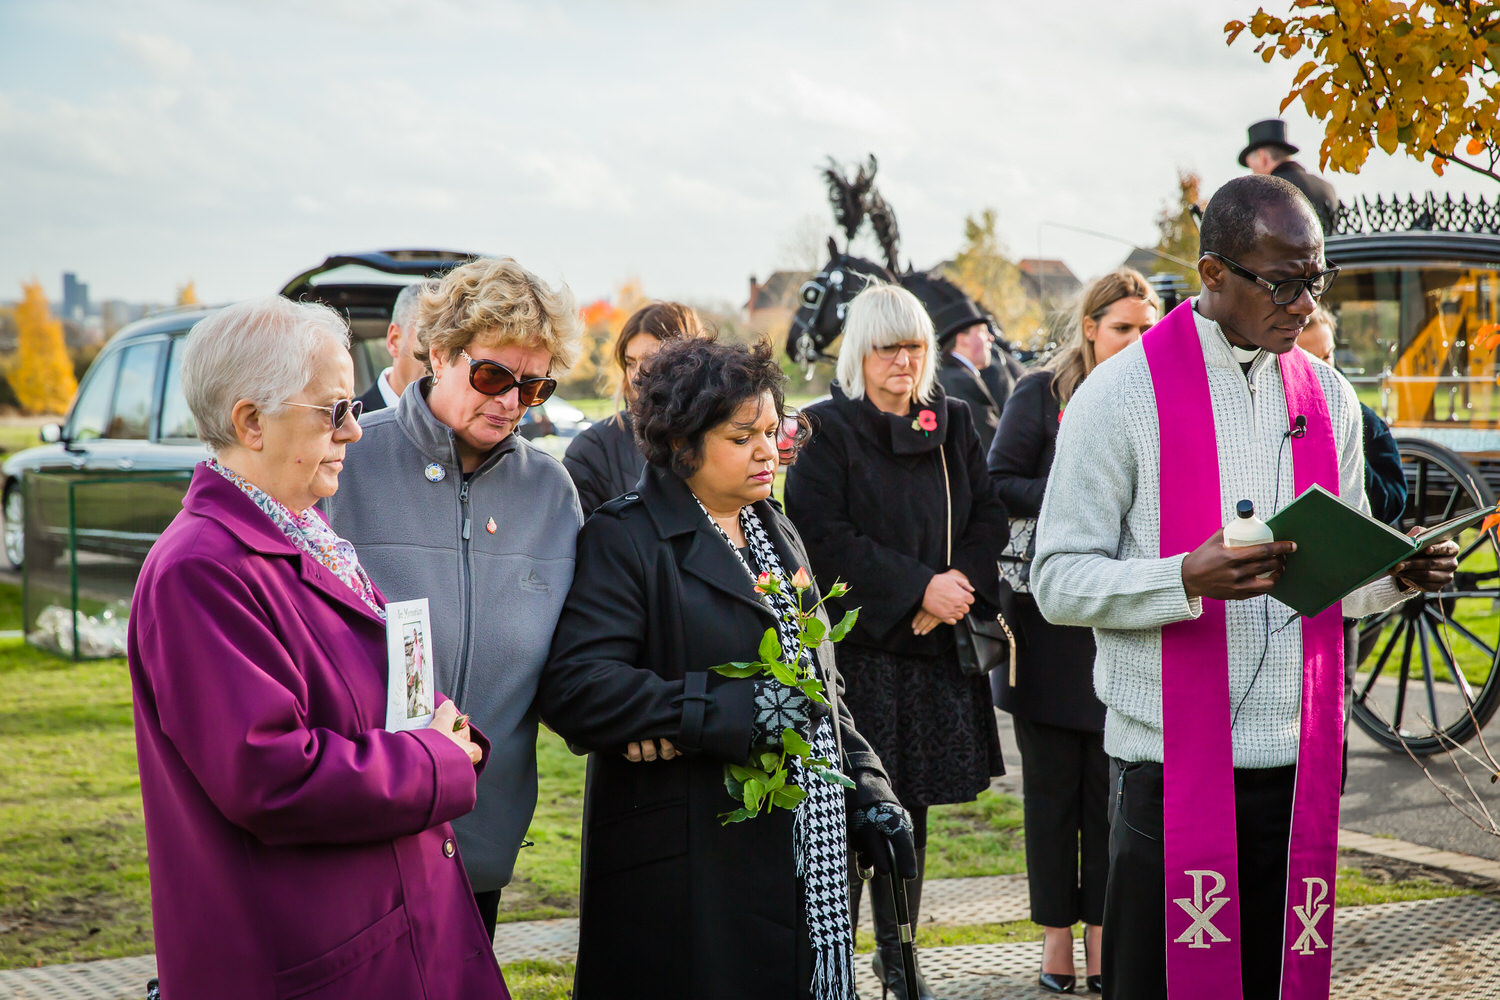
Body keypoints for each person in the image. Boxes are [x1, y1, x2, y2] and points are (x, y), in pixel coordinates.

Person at [1032, 175, 1458, 1000]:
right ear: (1213, 273)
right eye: (1284, 281)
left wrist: (1393, 572)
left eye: (1317, 279)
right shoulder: (1119, 397)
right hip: (1169, 777)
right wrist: (1181, 577)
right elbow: (1055, 581)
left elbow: (1332, 587)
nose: (1305, 304)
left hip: (1298, 773)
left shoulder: (1327, 395)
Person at [128, 296, 507, 1000]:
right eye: (335, 411)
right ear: (251, 422)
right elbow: (272, 776)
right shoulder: (201, 569)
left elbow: (369, 684)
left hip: (386, 929)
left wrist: (440, 717)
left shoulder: (306, 530)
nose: (357, 430)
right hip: (318, 954)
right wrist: (437, 759)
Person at [537, 337, 915, 1000]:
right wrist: (724, 712)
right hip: (685, 882)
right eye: (744, 436)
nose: (769, 450)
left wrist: (869, 788)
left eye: (775, 430)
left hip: (797, 864)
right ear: (683, 442)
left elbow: (817, 689)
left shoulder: (775, 528)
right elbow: (577, 687)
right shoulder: (624, 537)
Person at [323, 256, 585, 941]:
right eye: (494, 376)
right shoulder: (344, 464)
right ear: (437, 352)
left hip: (481, 850)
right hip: (355, 837)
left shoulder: (553, 494)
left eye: (534, 387)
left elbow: (571, 662)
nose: (509, 401)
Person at [785, 282, 1008, 1000]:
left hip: (936, 652)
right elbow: (821, 537)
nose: (903, 361)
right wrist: (918, 589)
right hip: (861, 660)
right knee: (851, 813)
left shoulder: (957, 421)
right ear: (860, 352)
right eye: (888, 348)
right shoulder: (826, 429)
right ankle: (832, 964)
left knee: (909, 814)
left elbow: (989, 520)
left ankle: (899, 958)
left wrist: (951, 593)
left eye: (914, 346)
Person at [988, 268, 1159, 995]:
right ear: (1090, 328)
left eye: (1147, 329)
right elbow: (997, 480)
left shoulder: (1157, 396)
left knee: (1108, 793)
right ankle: (1057, 940)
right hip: (1049, 622)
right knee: (1052, 796)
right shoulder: (1041, 393)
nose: (1135, 341)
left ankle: (1101, 939)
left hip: (1118, 618)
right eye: (1122, 327)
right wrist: (1079, 497)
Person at [1296, 305, 1409, 793]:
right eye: (1308, 359)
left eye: (1326, 357)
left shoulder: (1357, 417)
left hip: (1337, 593)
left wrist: (1345, 478)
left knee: (1329, 708)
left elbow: (1393, 494)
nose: (1321, 372)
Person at [563, 300, 706, 514]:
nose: (637, 375)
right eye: (630, 362)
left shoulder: (723, 439)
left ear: (691, 362)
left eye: (653, 360)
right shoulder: (593, 449)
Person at [1240, 118, 1338, 235]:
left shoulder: (1265, 191)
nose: (1253, 174)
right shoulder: (1326, 186)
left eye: (1252, 168)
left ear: (1262, 158)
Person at [358, 279, 437, 413]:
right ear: (394, 340)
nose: (440, 359)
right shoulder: (350, 426)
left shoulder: (465, 428)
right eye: (427, 341)